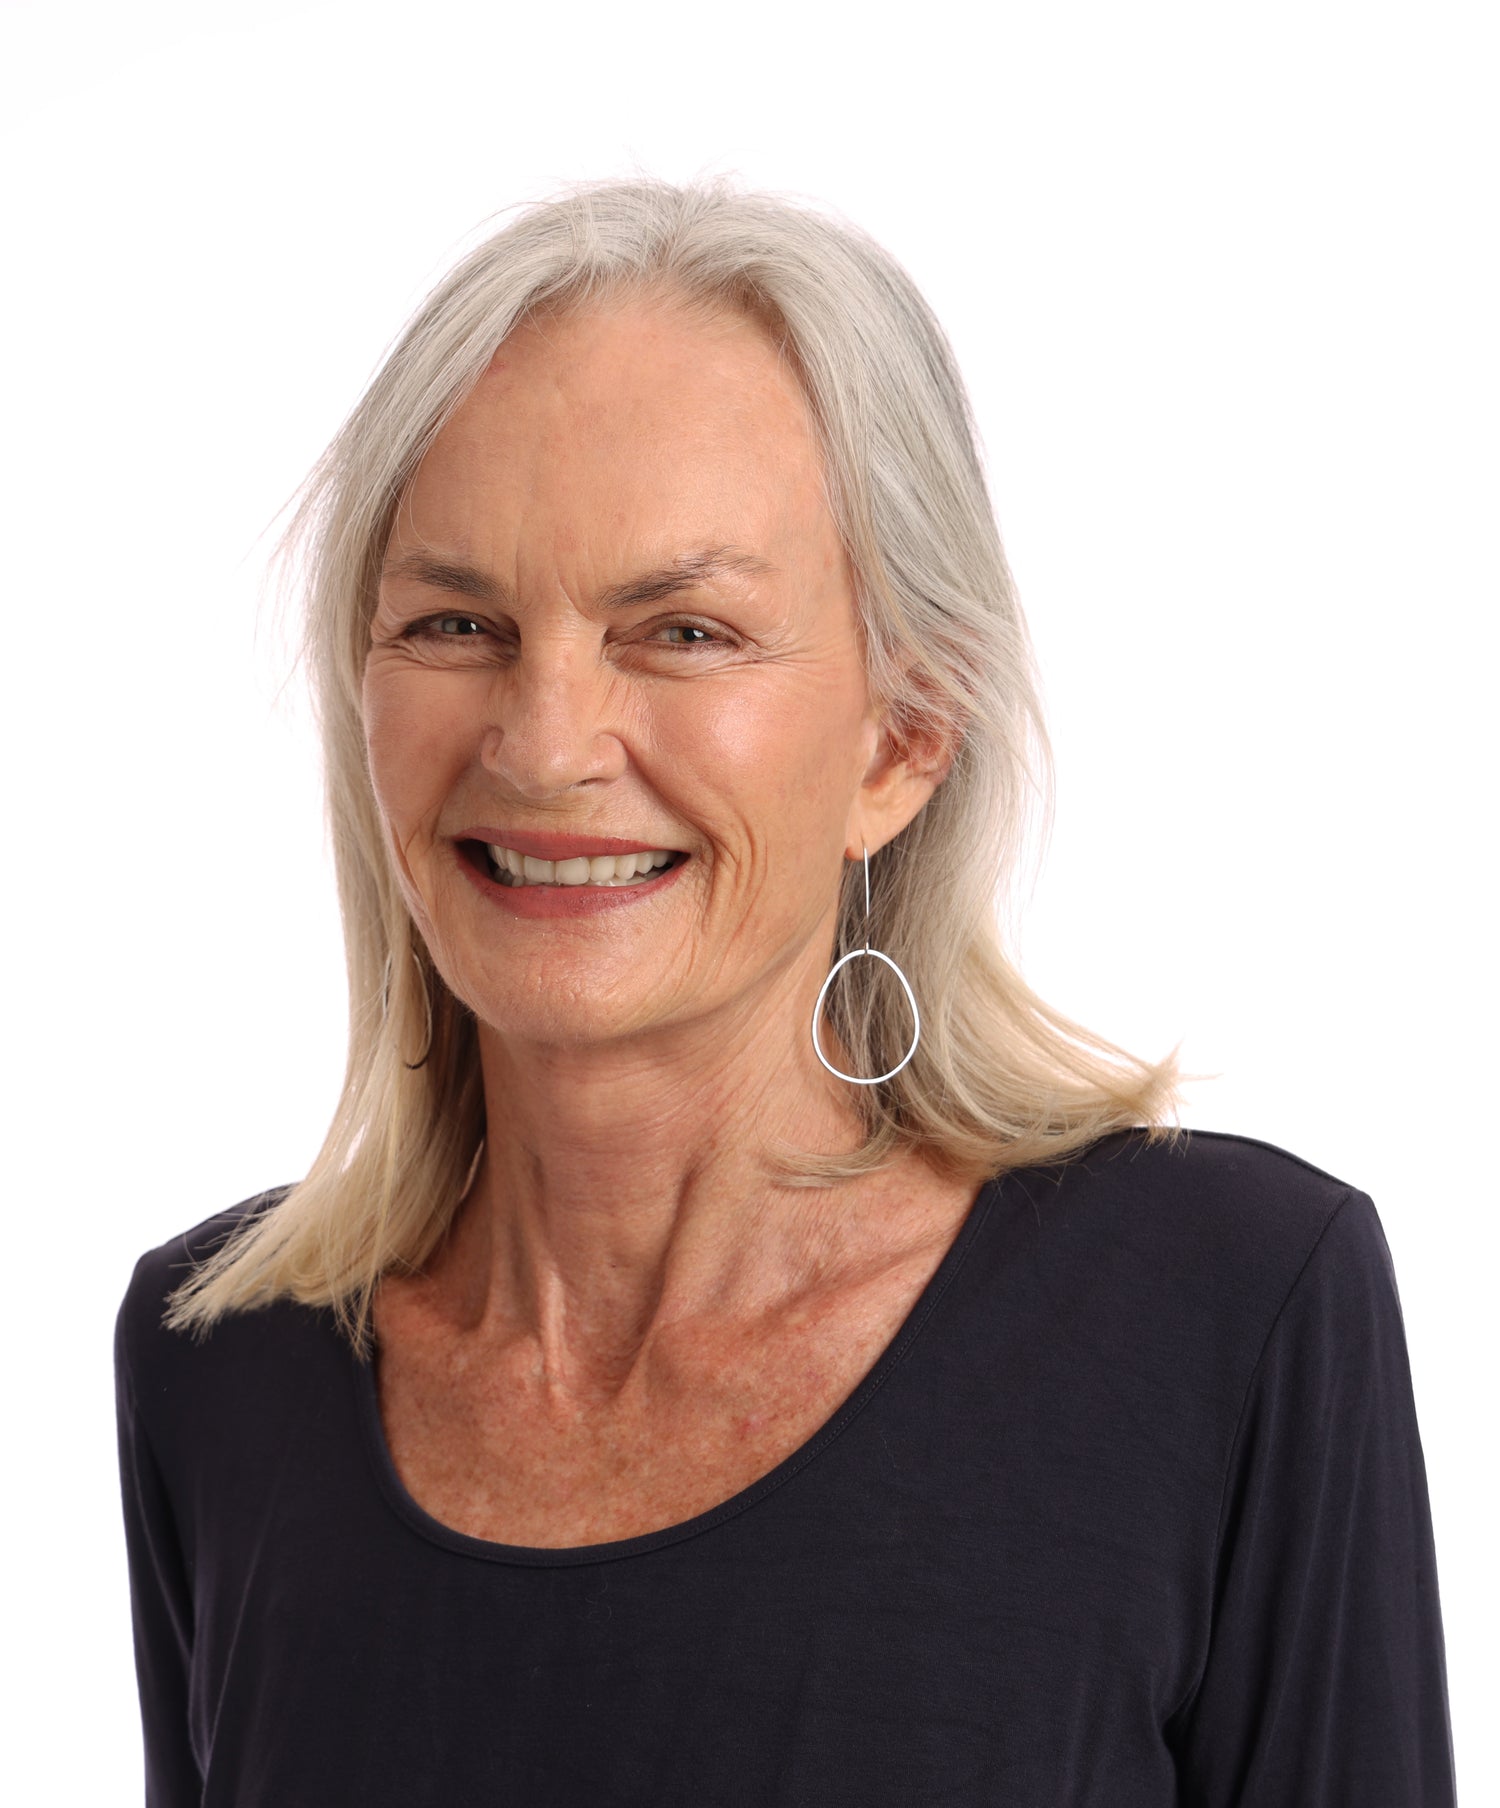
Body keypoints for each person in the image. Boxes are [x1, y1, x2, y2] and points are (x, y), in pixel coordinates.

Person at [114, 176, 1456, 1805]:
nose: (543, 745)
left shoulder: (1223, 1311)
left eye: (679, 631)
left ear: (902, 738)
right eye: (456, 621)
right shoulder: (223, 1365)